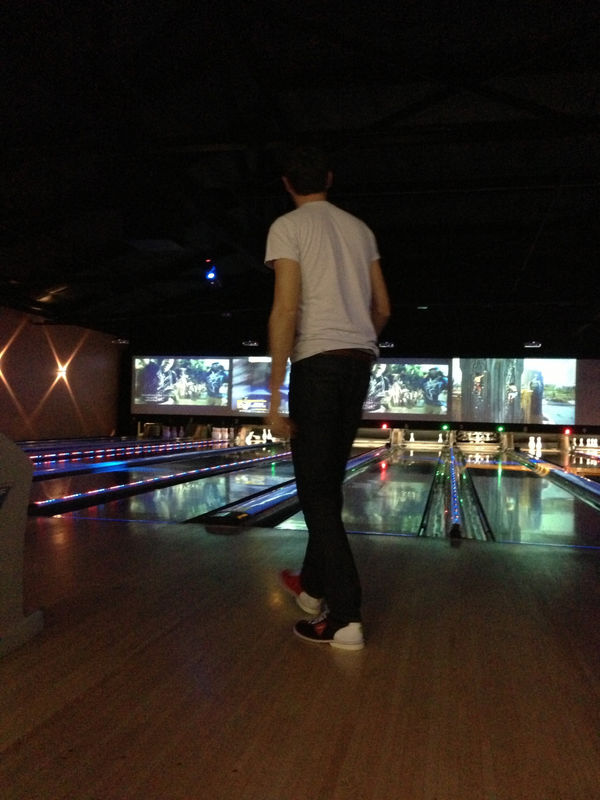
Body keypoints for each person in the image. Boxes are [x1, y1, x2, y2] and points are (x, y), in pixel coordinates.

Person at [265, 144, 391, 650]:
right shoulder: (360, 229)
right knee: (326, 486)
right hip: (358, 363)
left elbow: (285, 310)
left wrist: (274, 394)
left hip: (316, 366)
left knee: (316, 493)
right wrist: (358, 339)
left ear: (286, 183)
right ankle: (313, 587)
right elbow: (383, 307)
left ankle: (345, 618)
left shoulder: (288, 226)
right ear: (330, 178)